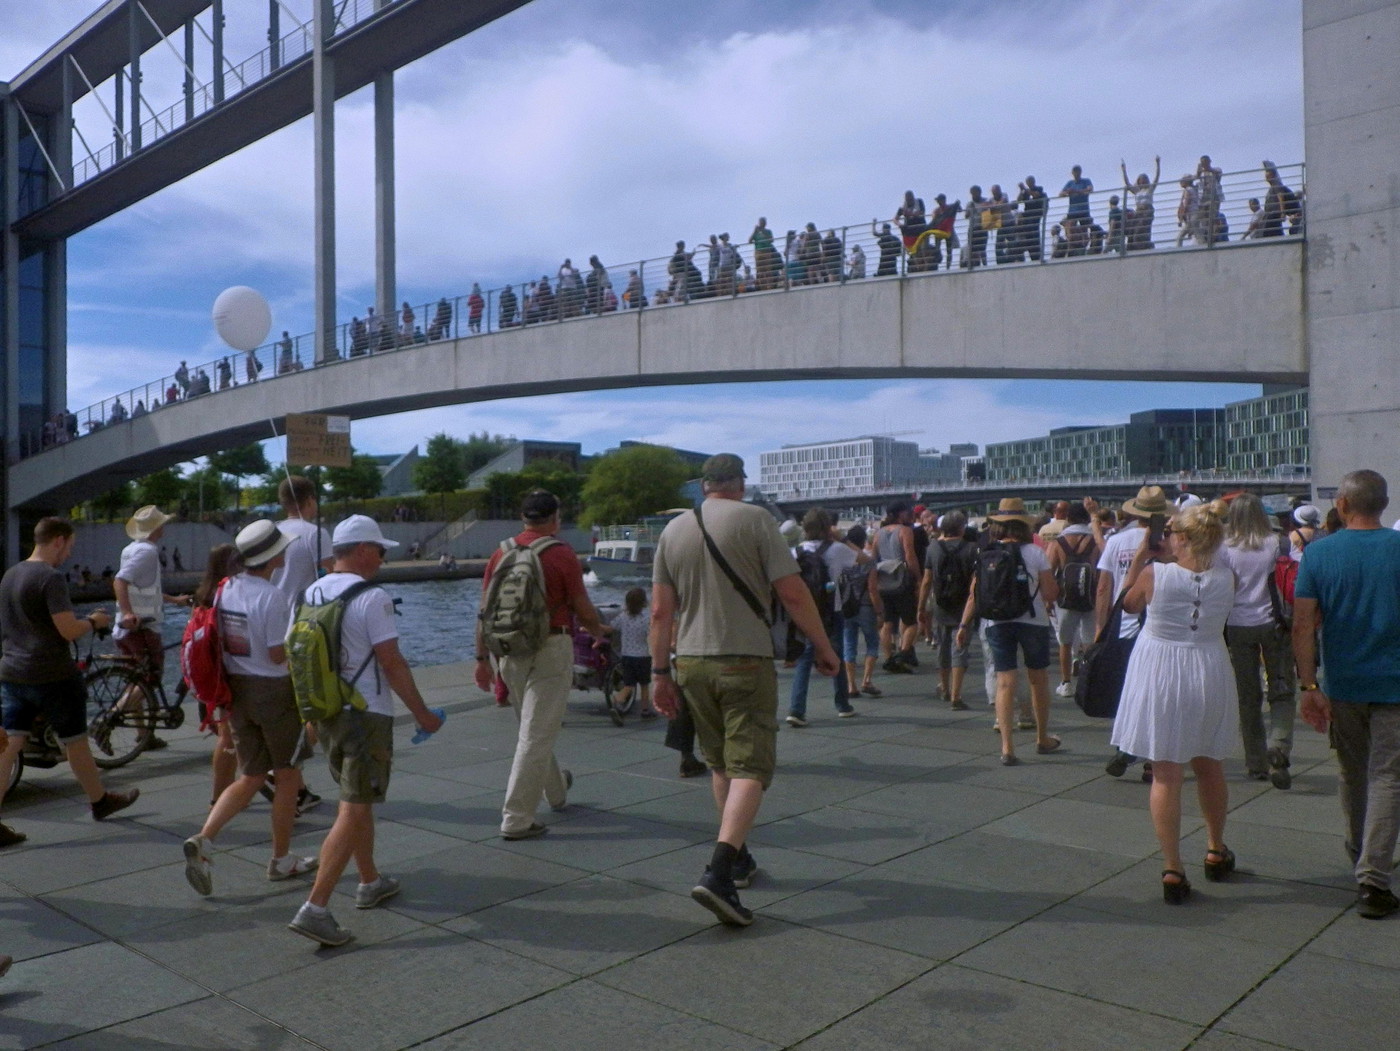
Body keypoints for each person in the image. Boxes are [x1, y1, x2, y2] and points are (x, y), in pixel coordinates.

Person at [650, 454, 839, 927]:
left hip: (690, 661)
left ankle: (739, 857)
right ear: (739, 484)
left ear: (704, 485)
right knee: (751, 765)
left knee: (720, 762)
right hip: (743, 659)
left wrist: (658, 673)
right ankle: (718, 873)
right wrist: (823, 645)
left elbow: (659, 613)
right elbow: (793, 593)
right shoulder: (756, 520)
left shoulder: (672, 531)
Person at [287, 516, 443, 946]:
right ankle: (315, 908)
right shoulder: (372, 597)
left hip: (327, 712)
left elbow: (296, 656)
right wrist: (423, 715)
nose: (383, 557)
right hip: (365, 716)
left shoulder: (307, 593)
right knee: (354, 807)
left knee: (357, 799)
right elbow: (392, 662)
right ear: (358, 550)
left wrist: (308, 715)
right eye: (379, 549)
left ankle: (370, 881)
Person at [1111, 502, 1238, 904]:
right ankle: (1216, 848)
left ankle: (1172, 867)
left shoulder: (1155, 574)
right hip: (1208, 666)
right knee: (1209, 763)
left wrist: (1142, 561)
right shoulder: (1226, 577)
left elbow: (1127, 604)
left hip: (1162, 669)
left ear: (1181, 538)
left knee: (1166, 771)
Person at [182, 521, 318, 896]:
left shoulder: (227, 589)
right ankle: (281, 858)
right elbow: (277, 654)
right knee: (288, 774)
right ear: (273, 556)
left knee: (252, 776)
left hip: (237, 691)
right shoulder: (271, 596)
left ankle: (205, 838)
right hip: (273, 693)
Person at [1294, 470, 1400, 919]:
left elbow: (1302, 625)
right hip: (1395, 682)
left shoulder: (1318, 554)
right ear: (1384, 503)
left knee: (1352, 772)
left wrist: (1309, 685)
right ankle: (1373, 876)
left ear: (1341, 505)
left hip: (1343, 683)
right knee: (1388, 776)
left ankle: (1361, 851)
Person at [473, 490, 606, 840]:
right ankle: (516, 818)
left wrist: (480, 658)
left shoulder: (501, 552)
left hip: (508, 651)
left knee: (533, 730)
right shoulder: (561, 553)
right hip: (551, 646)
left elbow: (484, 610)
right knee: (535, 734)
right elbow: (582, 605)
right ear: (555, 518)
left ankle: (557, 791)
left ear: (523, 517)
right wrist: (599, 632)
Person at [0, 518, 134, 846]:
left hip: (12, 672)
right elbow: (68, 630)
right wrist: (94, 620)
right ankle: (100, 800)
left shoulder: (10, 574)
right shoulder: (50, 577)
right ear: (58, 541)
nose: (68, 554)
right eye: (69, 547)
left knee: (9, 745)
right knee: (74, 741)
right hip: (53, 676)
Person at [956, 499, 1061, 765]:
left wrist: (963, 624)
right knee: (1038, 679)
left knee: (1005, 682)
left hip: (995, 622)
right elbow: (1050, 593)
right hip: (1033, 621)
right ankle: (1042, 737)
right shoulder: (1035, 553)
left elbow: (974, 594)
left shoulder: (986, 554)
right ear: (1024, 526)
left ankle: (1007, 747)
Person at [1217, 493, 1297, 787]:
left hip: (1237, 626)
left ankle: (1256, 762)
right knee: (1282, 689)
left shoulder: (1224, 549)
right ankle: (1279, 745)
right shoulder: (1277, 544)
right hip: (1273, 623)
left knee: (1247, 697)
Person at [113, 506, 191, 749]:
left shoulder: (131, 549)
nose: (164, 528)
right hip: (141, 628)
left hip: (125, 629)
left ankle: (143, 734)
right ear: (156, 528)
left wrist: (174, 600)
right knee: (149, 678)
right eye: (162, 524)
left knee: (135, 680)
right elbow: (120, 580)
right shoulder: (148, 551)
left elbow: (145, 588)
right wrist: (129, 612)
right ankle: (109, 719)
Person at [1099, 486, 1161, 780]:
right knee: (1157, 695)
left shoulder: (1116, 541)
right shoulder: (1170, 543)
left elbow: (1104, 587)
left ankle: (1126, 746)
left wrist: (1101, 625)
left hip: (1124, 623)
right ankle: (1151, 759)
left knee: (1132, 693)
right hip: (1158, 629)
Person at [786, 509, 858, 726]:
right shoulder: (837, 549)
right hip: (832, 609)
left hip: (805, 610)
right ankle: (843, 704)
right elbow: (866, 559)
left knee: (805, 659)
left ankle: (797, 709)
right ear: (828, 528)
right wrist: (842, 538)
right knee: (837, 654)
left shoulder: (795, 552)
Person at [191, 544, 243, 806]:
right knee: (229, 738)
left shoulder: (204, 595)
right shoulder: (227, 594)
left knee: (229, 736)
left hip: (212, 673)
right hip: (229, 675)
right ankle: (222, 796)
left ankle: (228, 792)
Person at [918, 511, 976, 709]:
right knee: (960, 649)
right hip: (963, 606)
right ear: (962, 528)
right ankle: (956, 696)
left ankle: (944, 688)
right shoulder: (971, 549)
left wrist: (921, 608)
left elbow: (926, 581)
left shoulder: (933, 548)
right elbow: (974, 584)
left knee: (942, 648)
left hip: (940, 605)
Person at [1046, 502, 1101, 698]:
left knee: (1065, 642)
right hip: (1090, 597)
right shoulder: (1095, 540)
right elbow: (1101, 570)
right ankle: (1088, 682)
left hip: (1066, 599)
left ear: (1068, 518)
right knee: (1088, 642)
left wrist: (1047, 600)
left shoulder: (1059, 542)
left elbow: (1049, 572)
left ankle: (1066, 682)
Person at [874, 501, 920, 673]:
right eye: (907, 511)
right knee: (911, 622)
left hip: (883, 582)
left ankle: (888, 657)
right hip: (901, 579)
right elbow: (910, 555)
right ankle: (903, 653)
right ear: (900, 514)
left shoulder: (878, 533)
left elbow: (873, 557)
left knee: (887, 623)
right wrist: (918, 578)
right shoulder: (905, 531)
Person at [840, 525, 882, 699]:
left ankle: (851, 685)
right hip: (866, 607)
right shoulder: (869, 561)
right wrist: (880, 611)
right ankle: (867, 680)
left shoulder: (842, 561)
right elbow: (872, 589)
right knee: (872, 643)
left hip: (846, 606)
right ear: (863, 541)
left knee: (849, 645)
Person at [603, 588, 656, 724]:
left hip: (626, 657)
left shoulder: (623, 617)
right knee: (645, 684)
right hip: (643, 657)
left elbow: (611, 628)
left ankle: (620, 700)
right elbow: (652, 635)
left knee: (629, 684)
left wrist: (594, 627)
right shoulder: (646, 619)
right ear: (644, 603)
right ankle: (644, 710)